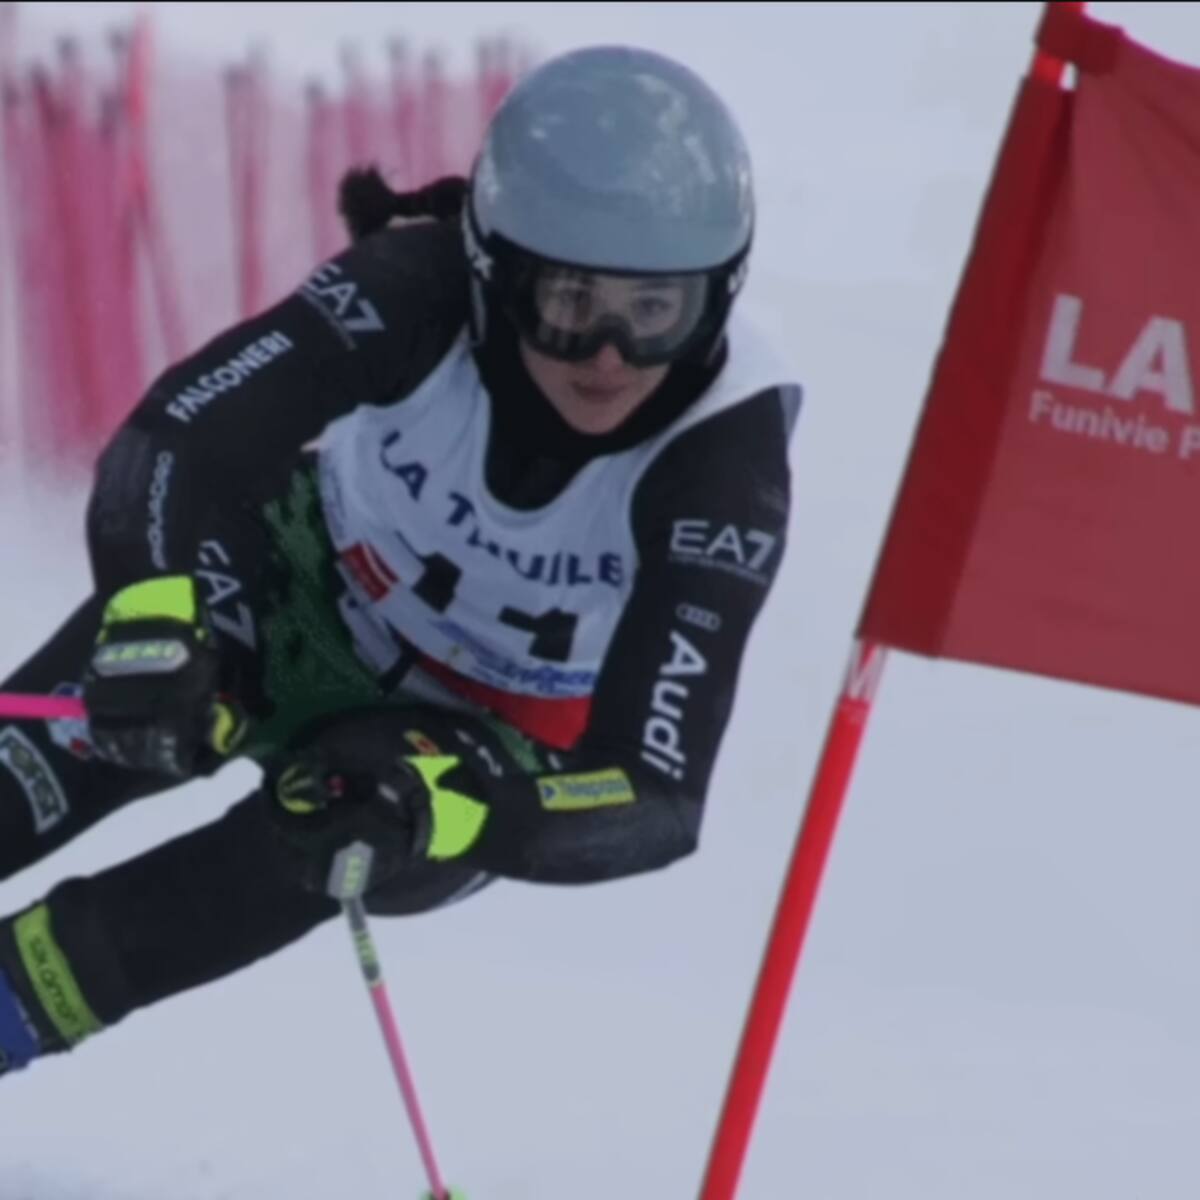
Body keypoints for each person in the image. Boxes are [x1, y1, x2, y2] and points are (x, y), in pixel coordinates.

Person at [0, 43, 801, 1076]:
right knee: (102, 729)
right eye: (570, 303)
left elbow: (655, 795)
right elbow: (179, 439)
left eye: (656, 314)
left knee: (327, 830)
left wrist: (455, 809)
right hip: (295, 582)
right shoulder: (418, 288)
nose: (609, 357)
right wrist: (156, 612)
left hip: (481, 727)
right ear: (497, 273)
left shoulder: (724, 458)